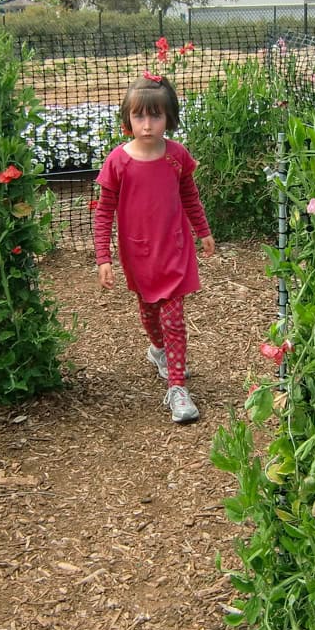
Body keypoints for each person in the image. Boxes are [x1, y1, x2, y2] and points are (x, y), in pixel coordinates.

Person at [93, 72, 215, 423]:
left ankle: (177, 389)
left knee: (173, 318)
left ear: (169, 117)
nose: (147, 125)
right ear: (128, 119)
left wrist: (202, 230)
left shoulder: (177, 156)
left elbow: (189, 196)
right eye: (139, 116)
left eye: (156, 115)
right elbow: (104, 213)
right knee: (150, 313)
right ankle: (159, 351)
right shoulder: (119, 161)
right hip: (138, 254)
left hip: (175, 250)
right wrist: (104, 257)